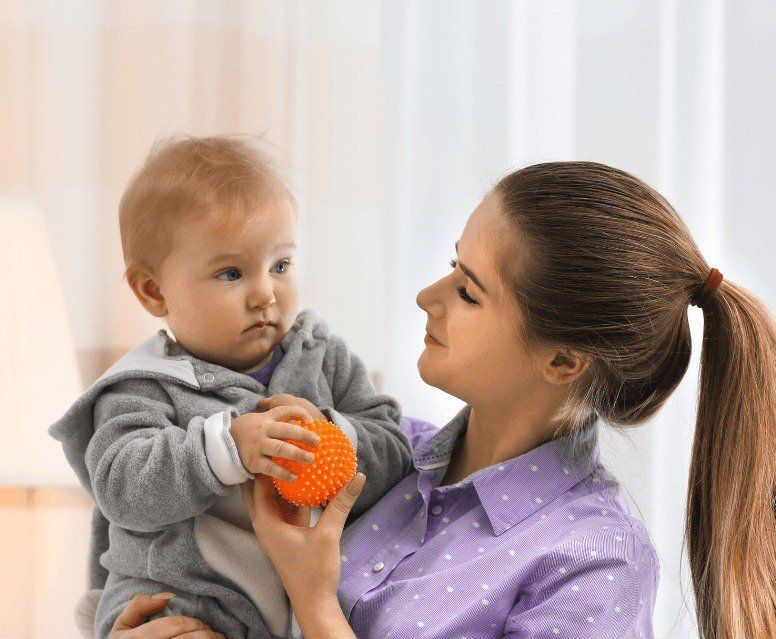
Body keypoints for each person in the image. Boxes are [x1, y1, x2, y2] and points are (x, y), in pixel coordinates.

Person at [118, 161, 776, 639]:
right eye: (452, 265)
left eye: (468, 290)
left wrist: (315, 599)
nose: (427, 295)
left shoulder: (598, 562)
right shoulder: (378, 451)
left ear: (563, 360)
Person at [49, 135, 413, 639]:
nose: (265, 293)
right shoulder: (144, 388)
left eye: (280, 265)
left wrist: (333, 437)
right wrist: (226, 448)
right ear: (153, 291)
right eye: (230, 273)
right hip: (183, 607)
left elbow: (396, 452)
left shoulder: (323, 359)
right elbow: (121, 486)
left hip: (308, 610)